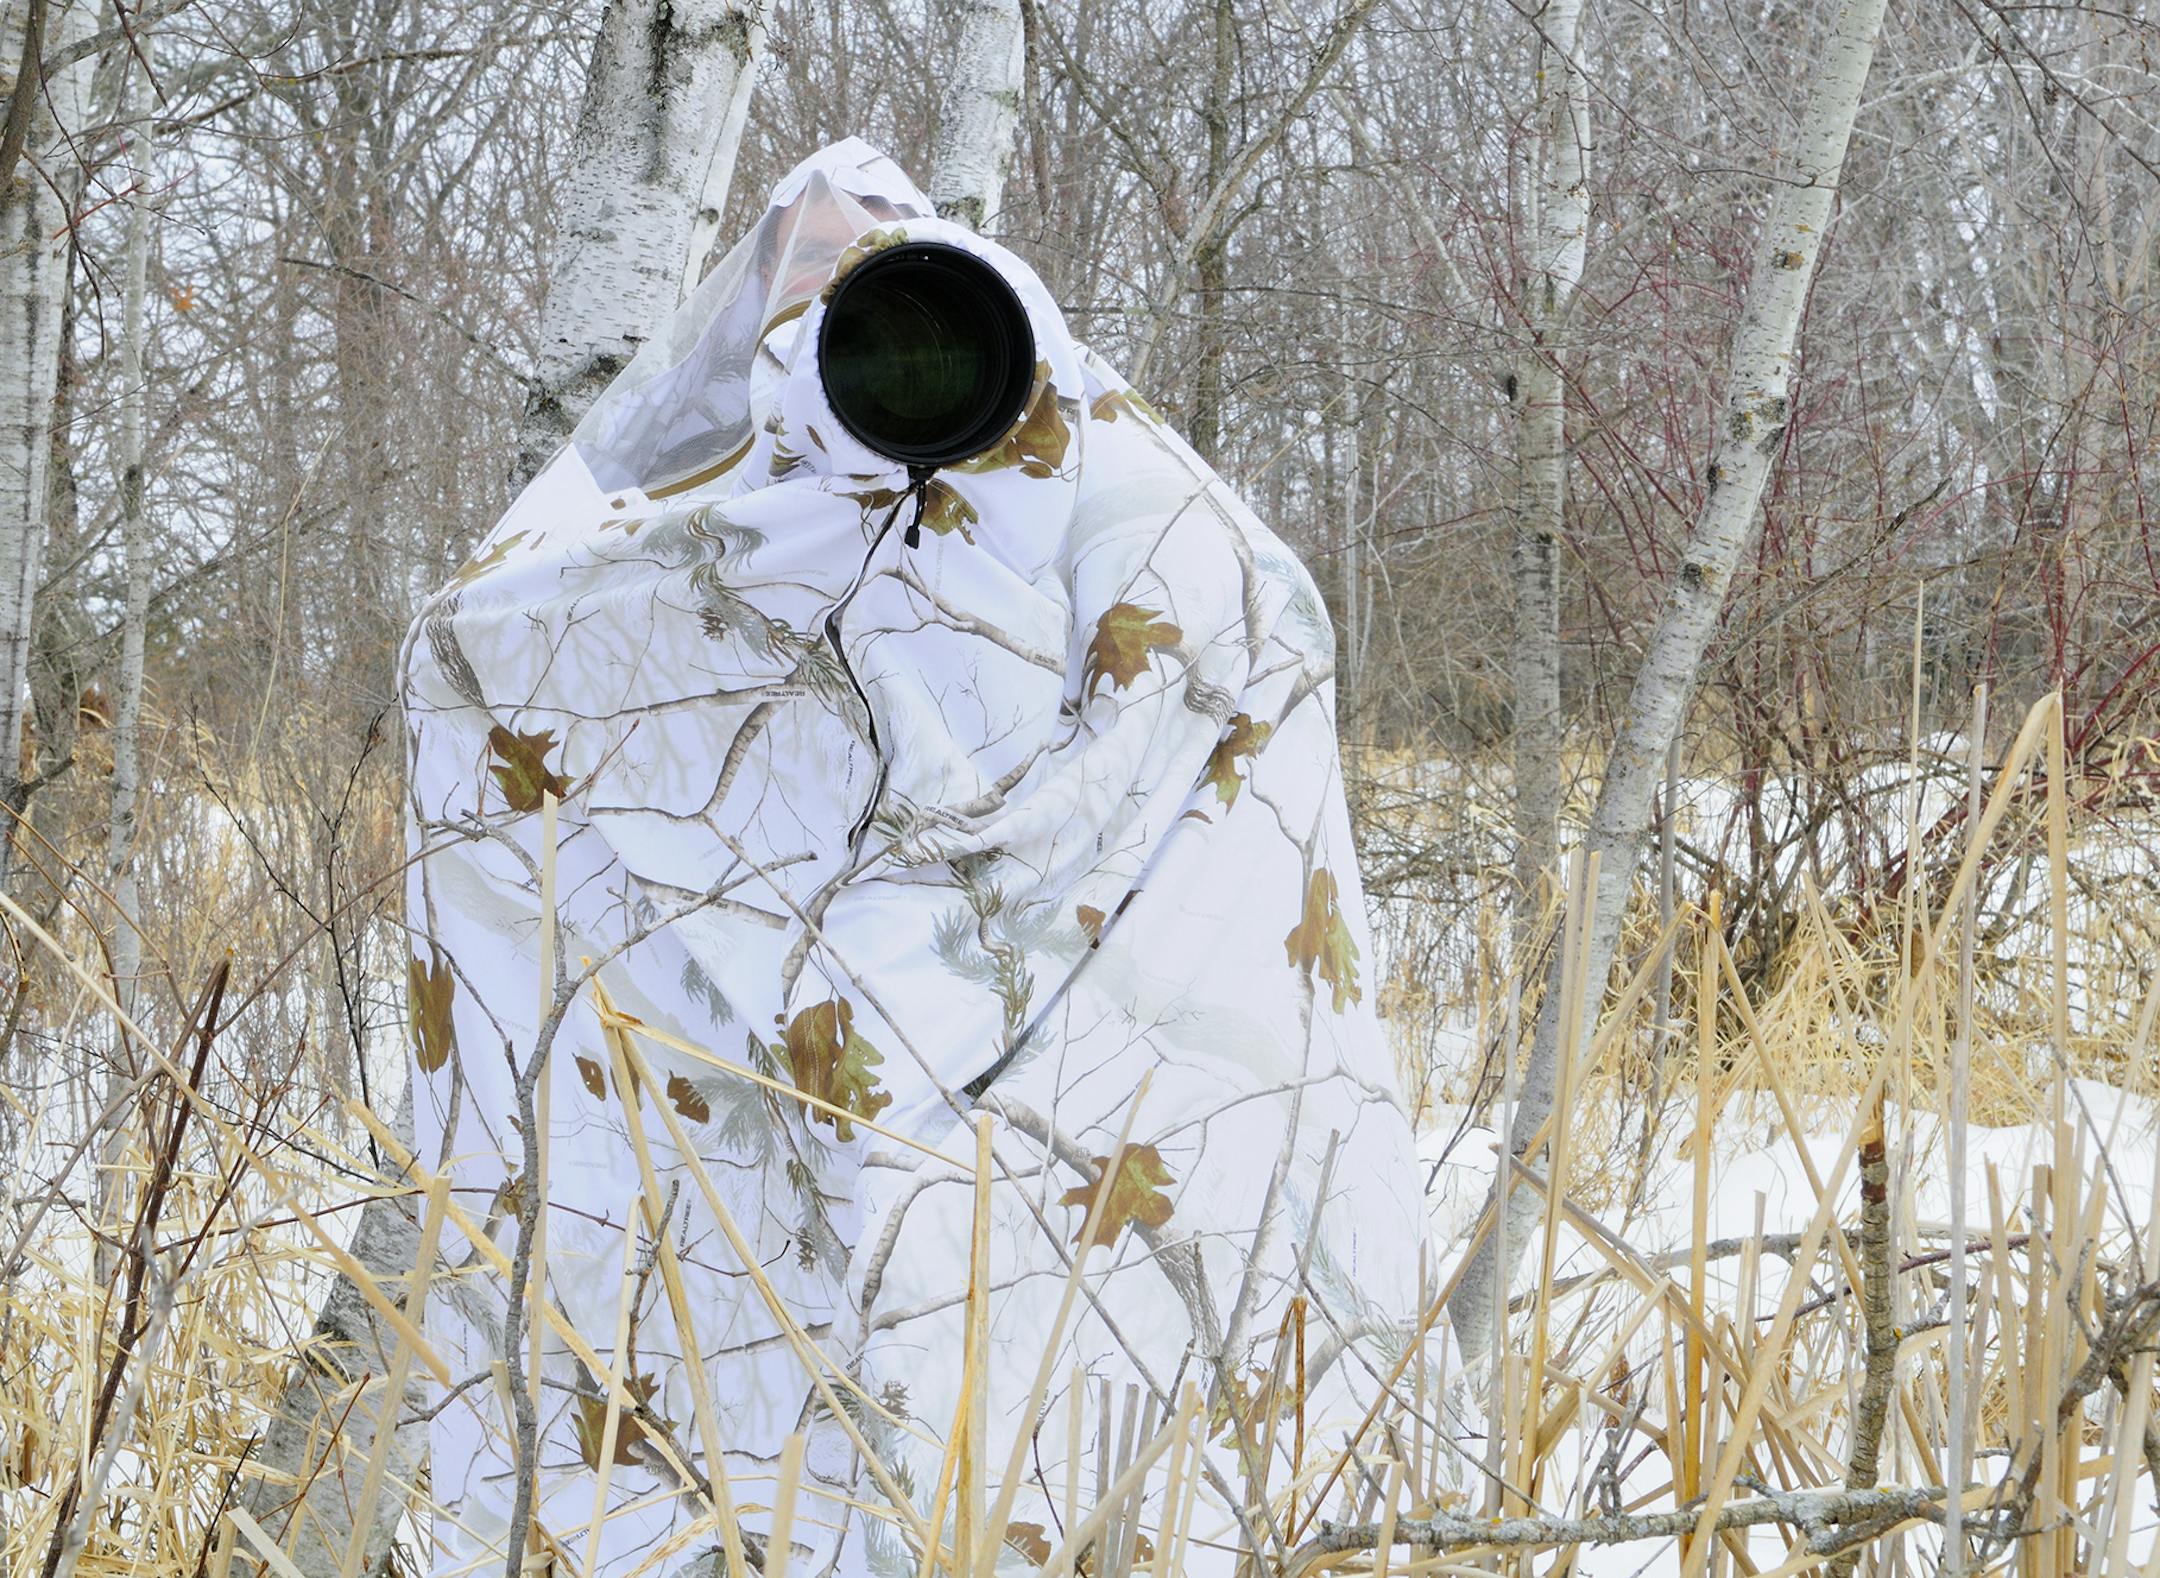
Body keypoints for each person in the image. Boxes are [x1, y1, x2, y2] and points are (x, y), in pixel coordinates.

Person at [400, 138, 1428, 1578]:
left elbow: (1262, 642)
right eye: (812, 277)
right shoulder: (692, 538)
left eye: (893, 280)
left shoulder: (1134, 520)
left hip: (1082, 1141)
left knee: (1058, 1428)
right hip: (737, 1134)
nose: (859, 314)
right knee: (758, 1414)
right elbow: (477, 652)